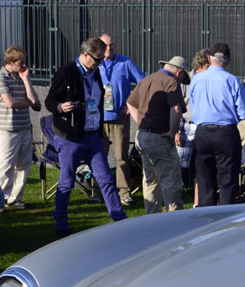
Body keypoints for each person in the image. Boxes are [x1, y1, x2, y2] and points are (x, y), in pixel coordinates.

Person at [45, 37, 128, 237]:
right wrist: (60, 107)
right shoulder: (66, 72)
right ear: (85, 54)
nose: (100, 63)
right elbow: (50, 101)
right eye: (97, 59)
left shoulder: (96, 72)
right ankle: (61, 225)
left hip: (93, 137)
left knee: (106, 178)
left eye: (101, 60)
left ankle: (120, 219)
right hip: (70, 137)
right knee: (66, 181)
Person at [187, 43, 245, 206]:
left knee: (204, 179)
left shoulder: (197, 80)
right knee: (227, 180)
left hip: (203, 132)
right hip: (226, 133)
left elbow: (193, 106)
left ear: (209, 58)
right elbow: (244, 112)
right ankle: (225, 218)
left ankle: (206, 217)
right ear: (228, 60)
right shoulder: (232, 80)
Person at [126, 55, 187, 213]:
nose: (181, 82)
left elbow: (130, 103)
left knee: (150, 179)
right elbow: (176, 109)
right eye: (183, 78)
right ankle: (174, 220)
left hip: (142, 135)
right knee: (171, 181)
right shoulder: (171, 82)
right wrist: (172, 132)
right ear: (179, 73)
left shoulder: (147, 79)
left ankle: (151, 217)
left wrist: (140, 122)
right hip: (159, 137)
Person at [0, 46, 41, 209]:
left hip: (25, 126)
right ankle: (0, 199)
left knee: (24, 164)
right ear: (10, 62)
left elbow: (36, 102)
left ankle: (15, 198)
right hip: (9, 128)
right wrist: (29, 103)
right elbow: (10, 103)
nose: (24, 65)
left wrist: (26, 79)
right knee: (6, 163)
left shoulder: (22, 75)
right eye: (21, 62)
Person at [98, 33, 145, 206]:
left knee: (121, 157)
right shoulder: (94, 64)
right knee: (99, 157)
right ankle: (98, 191)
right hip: (98, 119)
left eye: (112, 45)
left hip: (119, 118)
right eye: (105, 45)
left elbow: (143, 82)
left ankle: (124, 192)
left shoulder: (125, 63)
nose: (109, 49)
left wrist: (131, 103)